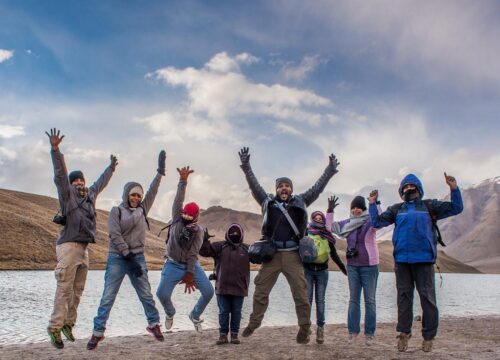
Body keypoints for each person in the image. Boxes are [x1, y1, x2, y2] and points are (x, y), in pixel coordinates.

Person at [238, 146, 340, 344]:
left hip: (293, 255)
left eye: (287, 186)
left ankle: (304, 328)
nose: (283, 188)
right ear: (276, 189)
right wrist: (246, 166)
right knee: (260, 290)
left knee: (301, 294)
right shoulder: (267, 202)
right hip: (273, 255)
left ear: (291, 189)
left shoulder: (301, 201)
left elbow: (317, 189)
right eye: (280, 186)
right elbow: (254, 186)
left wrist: (329, 170)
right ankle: (254, 322)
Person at [369, 173, 463, 353]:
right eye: (405, 186)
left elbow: (457, 207)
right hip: (402, 261)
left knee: (428, 299)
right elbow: (376, 222)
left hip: (424, 260)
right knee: (404, 299)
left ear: (419, 189)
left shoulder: (430, 206)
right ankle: (404, 333)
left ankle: (428, 336)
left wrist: (454, 188)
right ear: (401, 190)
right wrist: (372, 204)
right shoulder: (397, 209)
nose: (408, 188)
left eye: (412, 186)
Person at [87, 150, 167, 350]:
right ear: (126, 194)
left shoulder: (142, 209)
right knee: (108, 296)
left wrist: (160, 172)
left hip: (137, 257)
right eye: (133, 194)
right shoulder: (117, 211)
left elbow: (153, 191)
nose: (137, 197)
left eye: (139, 195)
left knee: (146, 294)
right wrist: (127, 256)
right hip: (117, 257)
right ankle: (98, 332)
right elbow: (114, 235)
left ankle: (154, 324)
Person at [45, 128, 117, 349]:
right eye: (75, 181)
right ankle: (54, 327)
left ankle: (68, 324)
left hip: (84, 248)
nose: (79, 183)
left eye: (81, 180)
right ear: (71, 183)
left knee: (77, 290)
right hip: (68, 246)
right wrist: (56, 150)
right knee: (64, 288)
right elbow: (59, 174)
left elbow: (100, 182)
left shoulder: (90, 195)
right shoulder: (67, 195)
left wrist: (111, 168)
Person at [156, 166, 214, 333]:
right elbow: (178, 200)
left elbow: (193, 253)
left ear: (195, 216)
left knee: (208, 292)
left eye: (190, 215)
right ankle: (170, 312)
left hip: (191, 264)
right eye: (185, 213)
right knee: (162, 294)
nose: (186, 216)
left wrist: (190, 274)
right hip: (172, 264)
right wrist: (183, 181)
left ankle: (195, 315)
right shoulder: (176, 218)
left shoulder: (199, 231)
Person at [328, 194, 381, 345]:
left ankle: (369, 333)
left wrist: (374, 204)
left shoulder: (370, 220)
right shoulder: (347, 223)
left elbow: (380, 220)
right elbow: (330, 227)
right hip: (352, 266)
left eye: (359, 207)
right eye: (353, 207)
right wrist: (330, 211)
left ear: (363, 208)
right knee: (353, 300)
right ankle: (353, 332)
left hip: (370, 265)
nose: (356, 210)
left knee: (370, 300)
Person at [199, 224, 250, 345]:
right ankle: (223, 335)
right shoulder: (220, 246)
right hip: (222, 286)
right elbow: (204, 251)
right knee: (223, 312)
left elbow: (260, 258)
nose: (235, 234)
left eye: (237, 233)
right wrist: (204, 241)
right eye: (232, 232)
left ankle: (234, 335)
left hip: (240, 287)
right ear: (228, 234)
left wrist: (265, 247)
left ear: (241, 234)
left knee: (237, 312)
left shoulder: (247, 249)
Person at [304, 210, 347, 344]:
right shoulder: (306, 232)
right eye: (315, 217)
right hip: (308, 271)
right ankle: (305, 329)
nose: (318, 220)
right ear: (312, 218)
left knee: (320, 301)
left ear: (323, 220)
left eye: (320, 218)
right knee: (307, 301)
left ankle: (320, 329)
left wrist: (342, 268)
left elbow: (333, 254)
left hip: (322, 271)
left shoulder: (327, 235)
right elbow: (299, 250)